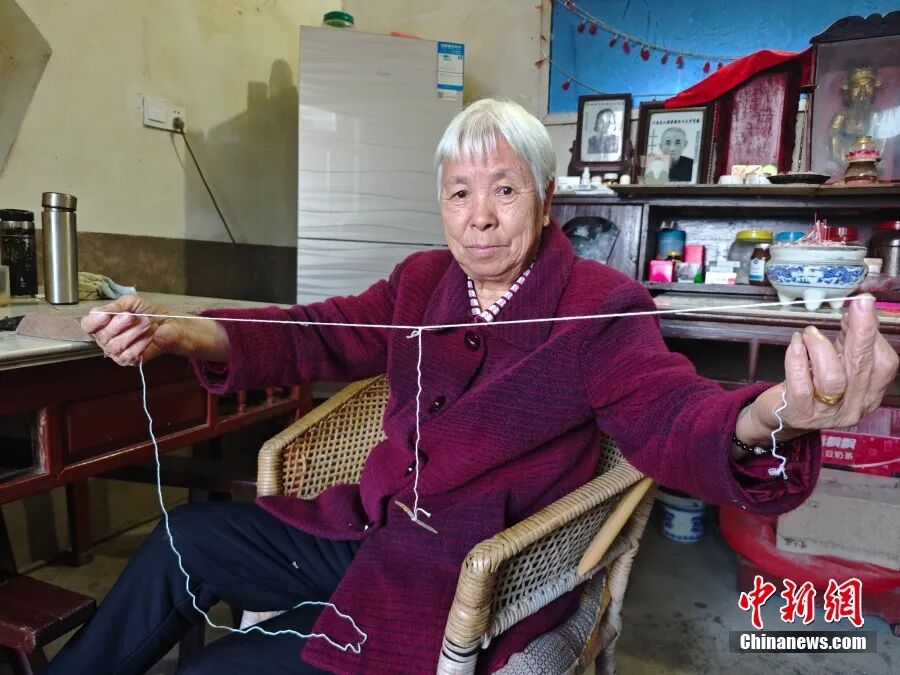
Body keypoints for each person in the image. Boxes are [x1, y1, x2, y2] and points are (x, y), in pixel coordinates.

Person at [53, 99, 896, 675]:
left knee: (221, 667)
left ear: (545, 200)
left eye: (504, 189)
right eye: (459, 192)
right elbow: (319, 332)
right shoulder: (422, 281)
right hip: (365, 531)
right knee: (184, 537)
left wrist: (780, 413)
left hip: (464, 577)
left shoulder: (600, 303)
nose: (480, 214)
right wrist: (183, 330)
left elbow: (670, 411)